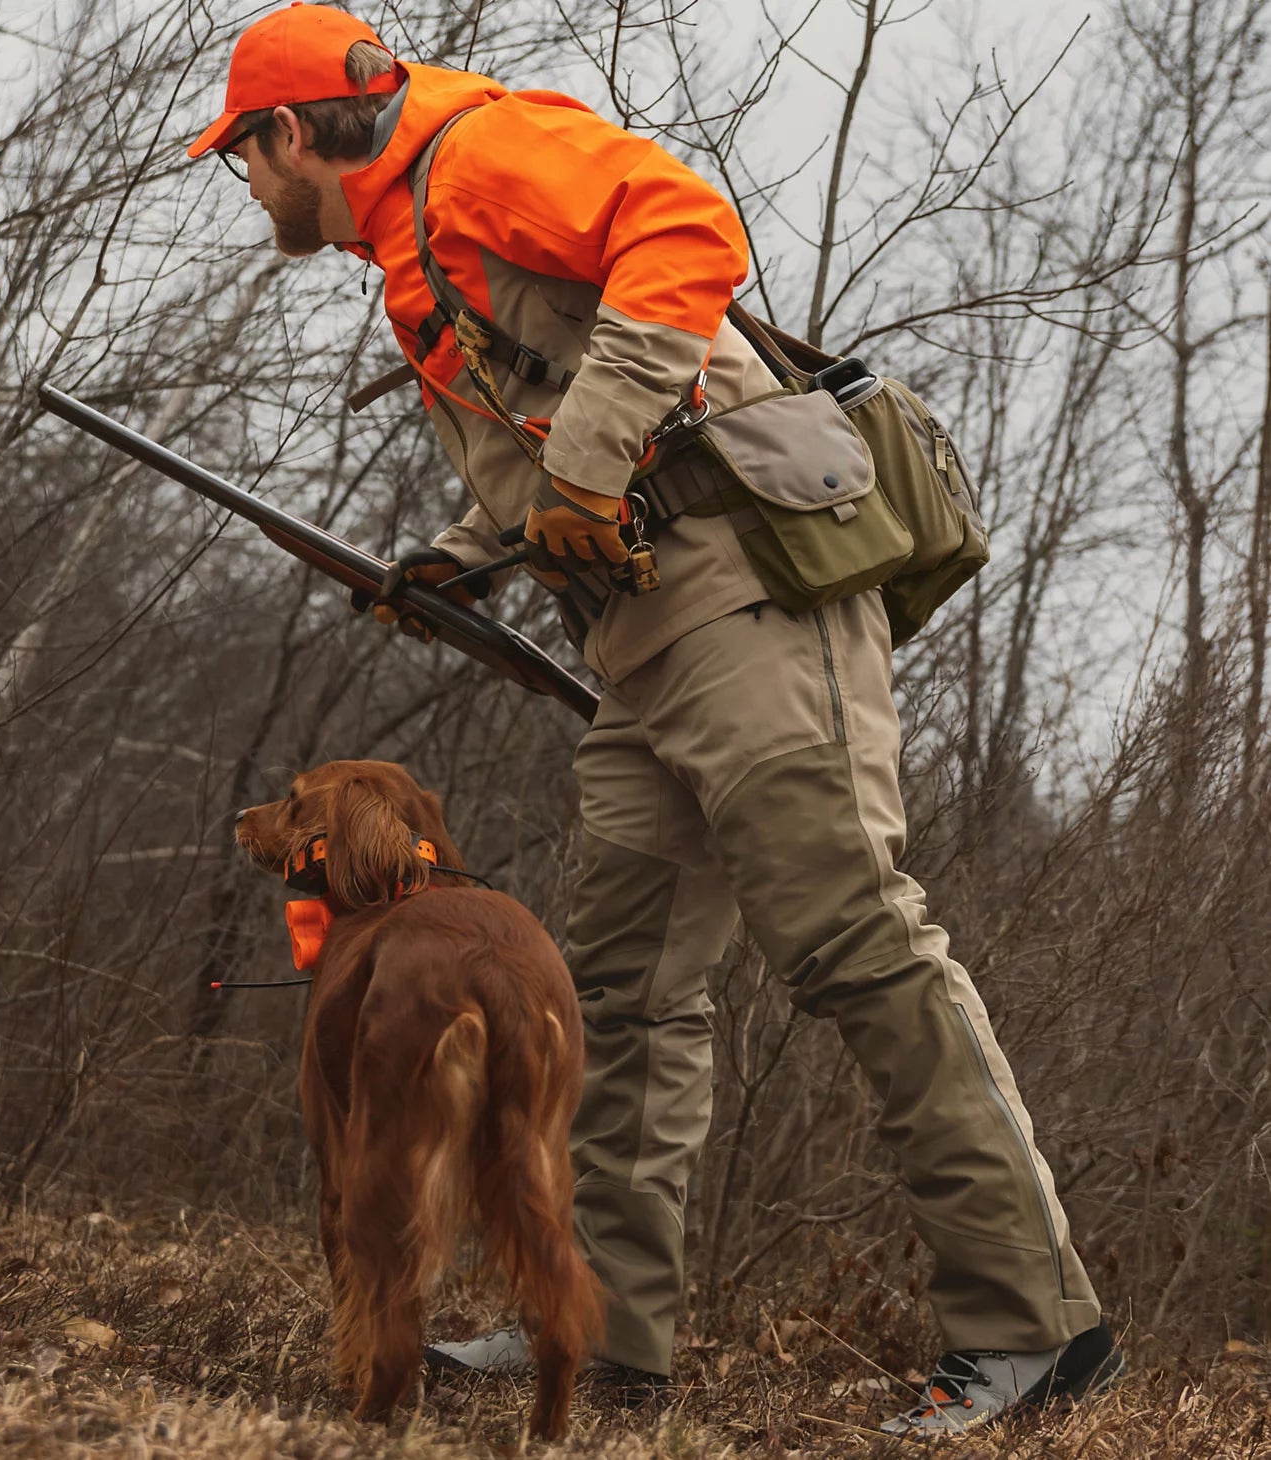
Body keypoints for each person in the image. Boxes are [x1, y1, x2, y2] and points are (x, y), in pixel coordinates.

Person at [188, 3, 1124, 1436]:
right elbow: (559, 423)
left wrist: (586, 463)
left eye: (242, 158)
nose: (249, 188)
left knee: (859, 942)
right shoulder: (413, 233)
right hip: (644, 636)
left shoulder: (478, 151)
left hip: (751, 594)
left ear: (289, 131)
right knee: (619, 988)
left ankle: (1033, 1332)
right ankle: (607, 1333)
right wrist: (468, 544)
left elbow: (686, 234)